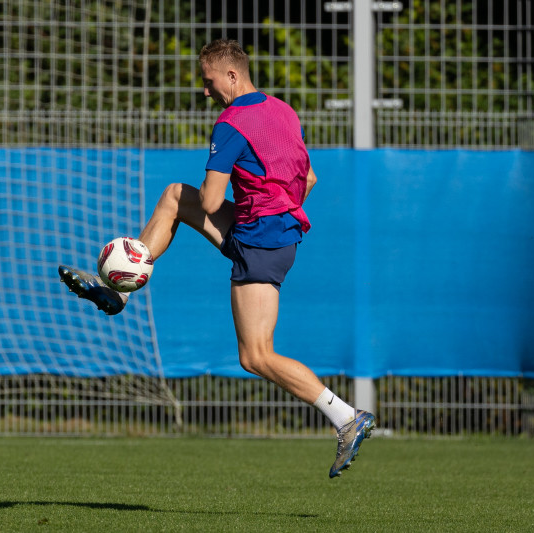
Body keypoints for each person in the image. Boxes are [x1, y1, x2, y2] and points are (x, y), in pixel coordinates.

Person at [58, 39, 374, 478]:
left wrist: (256, 214)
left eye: (208, 82)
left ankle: (345, 416)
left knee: (256, 356)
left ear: (231, 75)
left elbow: (209, 202)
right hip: (272, 232)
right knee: (173, 197)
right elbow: (311, 179)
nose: (206, 92)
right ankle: (119, 291)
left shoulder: (230, 123)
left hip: (259, 241)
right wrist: (274, 210)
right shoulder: (284, 111)